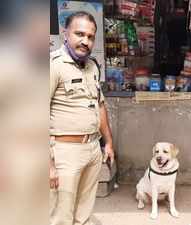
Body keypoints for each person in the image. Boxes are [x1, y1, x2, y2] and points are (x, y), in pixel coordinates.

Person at [50, 11, 114, 225]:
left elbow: (100, 104)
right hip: (64, 153)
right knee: (60, 215)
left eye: (90, 36)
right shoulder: (53, 65)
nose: (85, 41)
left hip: (92, 150)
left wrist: (109, 143)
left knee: (83, 214)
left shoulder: (92, 66)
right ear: (64, 33)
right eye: (79, 34)